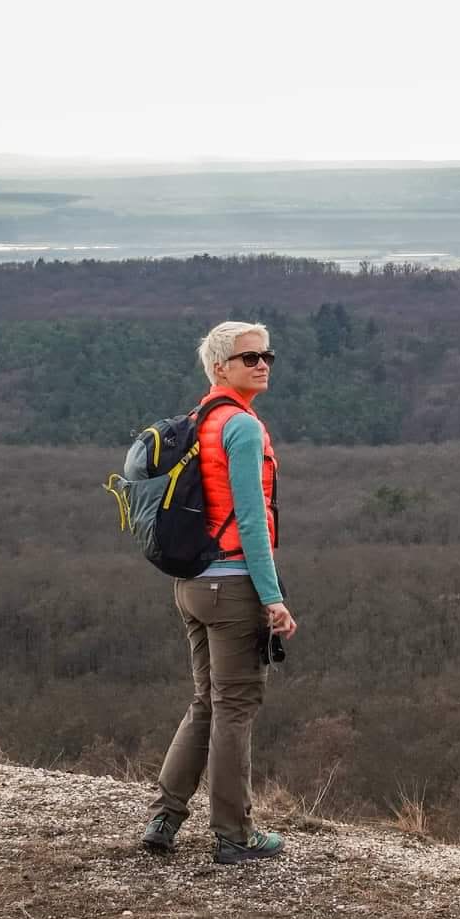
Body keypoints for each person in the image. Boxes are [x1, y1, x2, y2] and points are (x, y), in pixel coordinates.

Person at [141, 320, 298, 864]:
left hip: (191, 585)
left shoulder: (197, 420)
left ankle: (165, 817)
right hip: (232, 587)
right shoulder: (242, 427)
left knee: (207, 701)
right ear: (219, 368)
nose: (262, 365)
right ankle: (235, 834)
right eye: (248, 357)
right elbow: (252, 522)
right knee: (235, 706)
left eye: (266, 356)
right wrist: (272, 596)